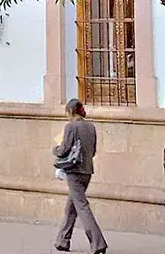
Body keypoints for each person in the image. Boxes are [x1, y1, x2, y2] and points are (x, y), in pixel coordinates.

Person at [52, 98, 107, 254]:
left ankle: (98, 243)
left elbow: (64, 150)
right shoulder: (91, 127)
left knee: (82, 207)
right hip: (87, 171)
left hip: (74, 172)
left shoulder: (70, 127)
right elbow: (93, 151)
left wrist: (55, 150)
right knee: (72, 207)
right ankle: (62, 240)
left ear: (70, 112)